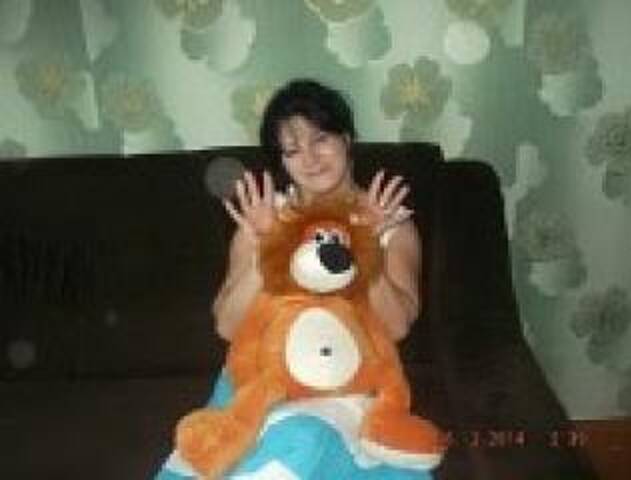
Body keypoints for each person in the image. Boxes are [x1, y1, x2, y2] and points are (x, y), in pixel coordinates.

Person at [155, 79, 430, 479]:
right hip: (262, 384)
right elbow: (228, 326)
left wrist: (366, 242)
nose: (310, 159)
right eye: (292, 149)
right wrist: (267, 242)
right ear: (281, 162)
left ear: (347, 139)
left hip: (345, 383)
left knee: (306, 441)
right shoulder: (265, 216)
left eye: (320, 139)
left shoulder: (390, 222)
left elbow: (397, 327)